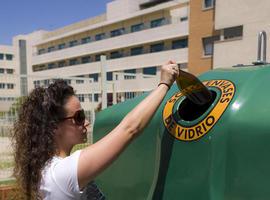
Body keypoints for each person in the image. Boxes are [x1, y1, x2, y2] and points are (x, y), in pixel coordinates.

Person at [12, 61, 179, 199]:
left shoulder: (48, 169)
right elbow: (130, 128)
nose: (86, 122)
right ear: (53, 126)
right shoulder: (61, 174)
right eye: (79, 117)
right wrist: (164, 85)